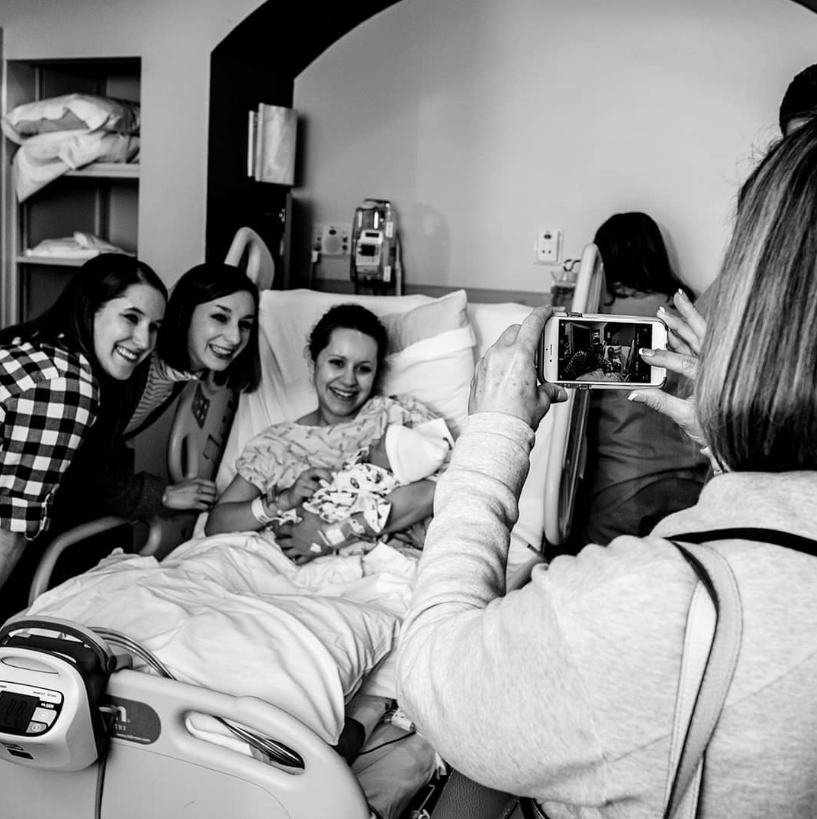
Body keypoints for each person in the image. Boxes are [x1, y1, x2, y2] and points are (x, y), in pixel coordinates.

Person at [397, 117, 817, 817]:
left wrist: (494, 434)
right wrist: (726, 451)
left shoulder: (645, 604)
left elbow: (434, 677)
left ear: (755, 311)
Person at [206, 303, 442, 563]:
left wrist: (329, 536)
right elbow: (217, 524)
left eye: (363, 369)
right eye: (337, 363)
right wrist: (283, 500)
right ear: (314, 360)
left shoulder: (397, 416)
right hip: (295, 574)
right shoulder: (278, 444)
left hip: (391, 567)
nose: (349, 380)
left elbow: (438, 489)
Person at [48, 261, 261, 534]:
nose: (233, 337)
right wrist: (162, 495)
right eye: (220, 317)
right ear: (184, 313)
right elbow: (81, 463)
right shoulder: (128, 361)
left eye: (245, 325)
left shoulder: (179, 374)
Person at [0, 254, 166, 595]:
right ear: (90, 308)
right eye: (131, 318)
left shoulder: (33, 345)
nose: (144, 341)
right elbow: (10, 529)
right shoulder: (65, 387)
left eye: (153, 328)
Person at [572, 212, 709, 548]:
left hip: (623, 479)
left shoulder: (596, 318)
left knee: (606, 577)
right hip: (692, 475)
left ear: (604, 262)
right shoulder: (689, 310)